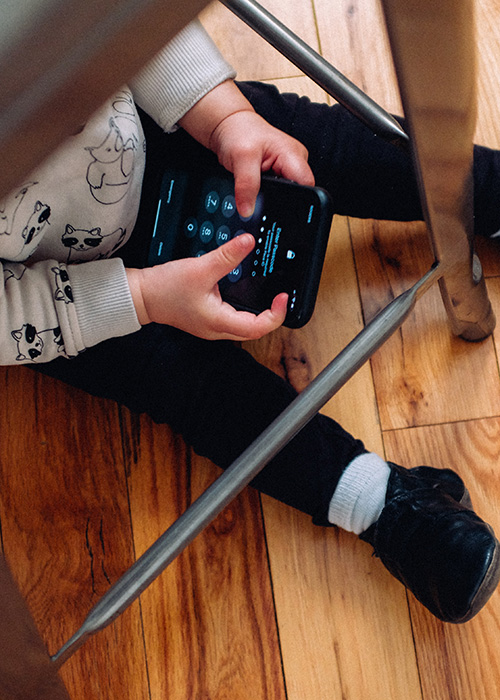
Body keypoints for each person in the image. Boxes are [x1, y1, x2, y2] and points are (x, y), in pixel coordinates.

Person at [2, 19, 500, 624]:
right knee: (189, 386)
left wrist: (223, 116)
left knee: (318, 147)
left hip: (156, 119)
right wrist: (144, 297)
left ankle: (491, 190)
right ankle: (384, 505)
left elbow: (119, 11)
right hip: (72, 287)